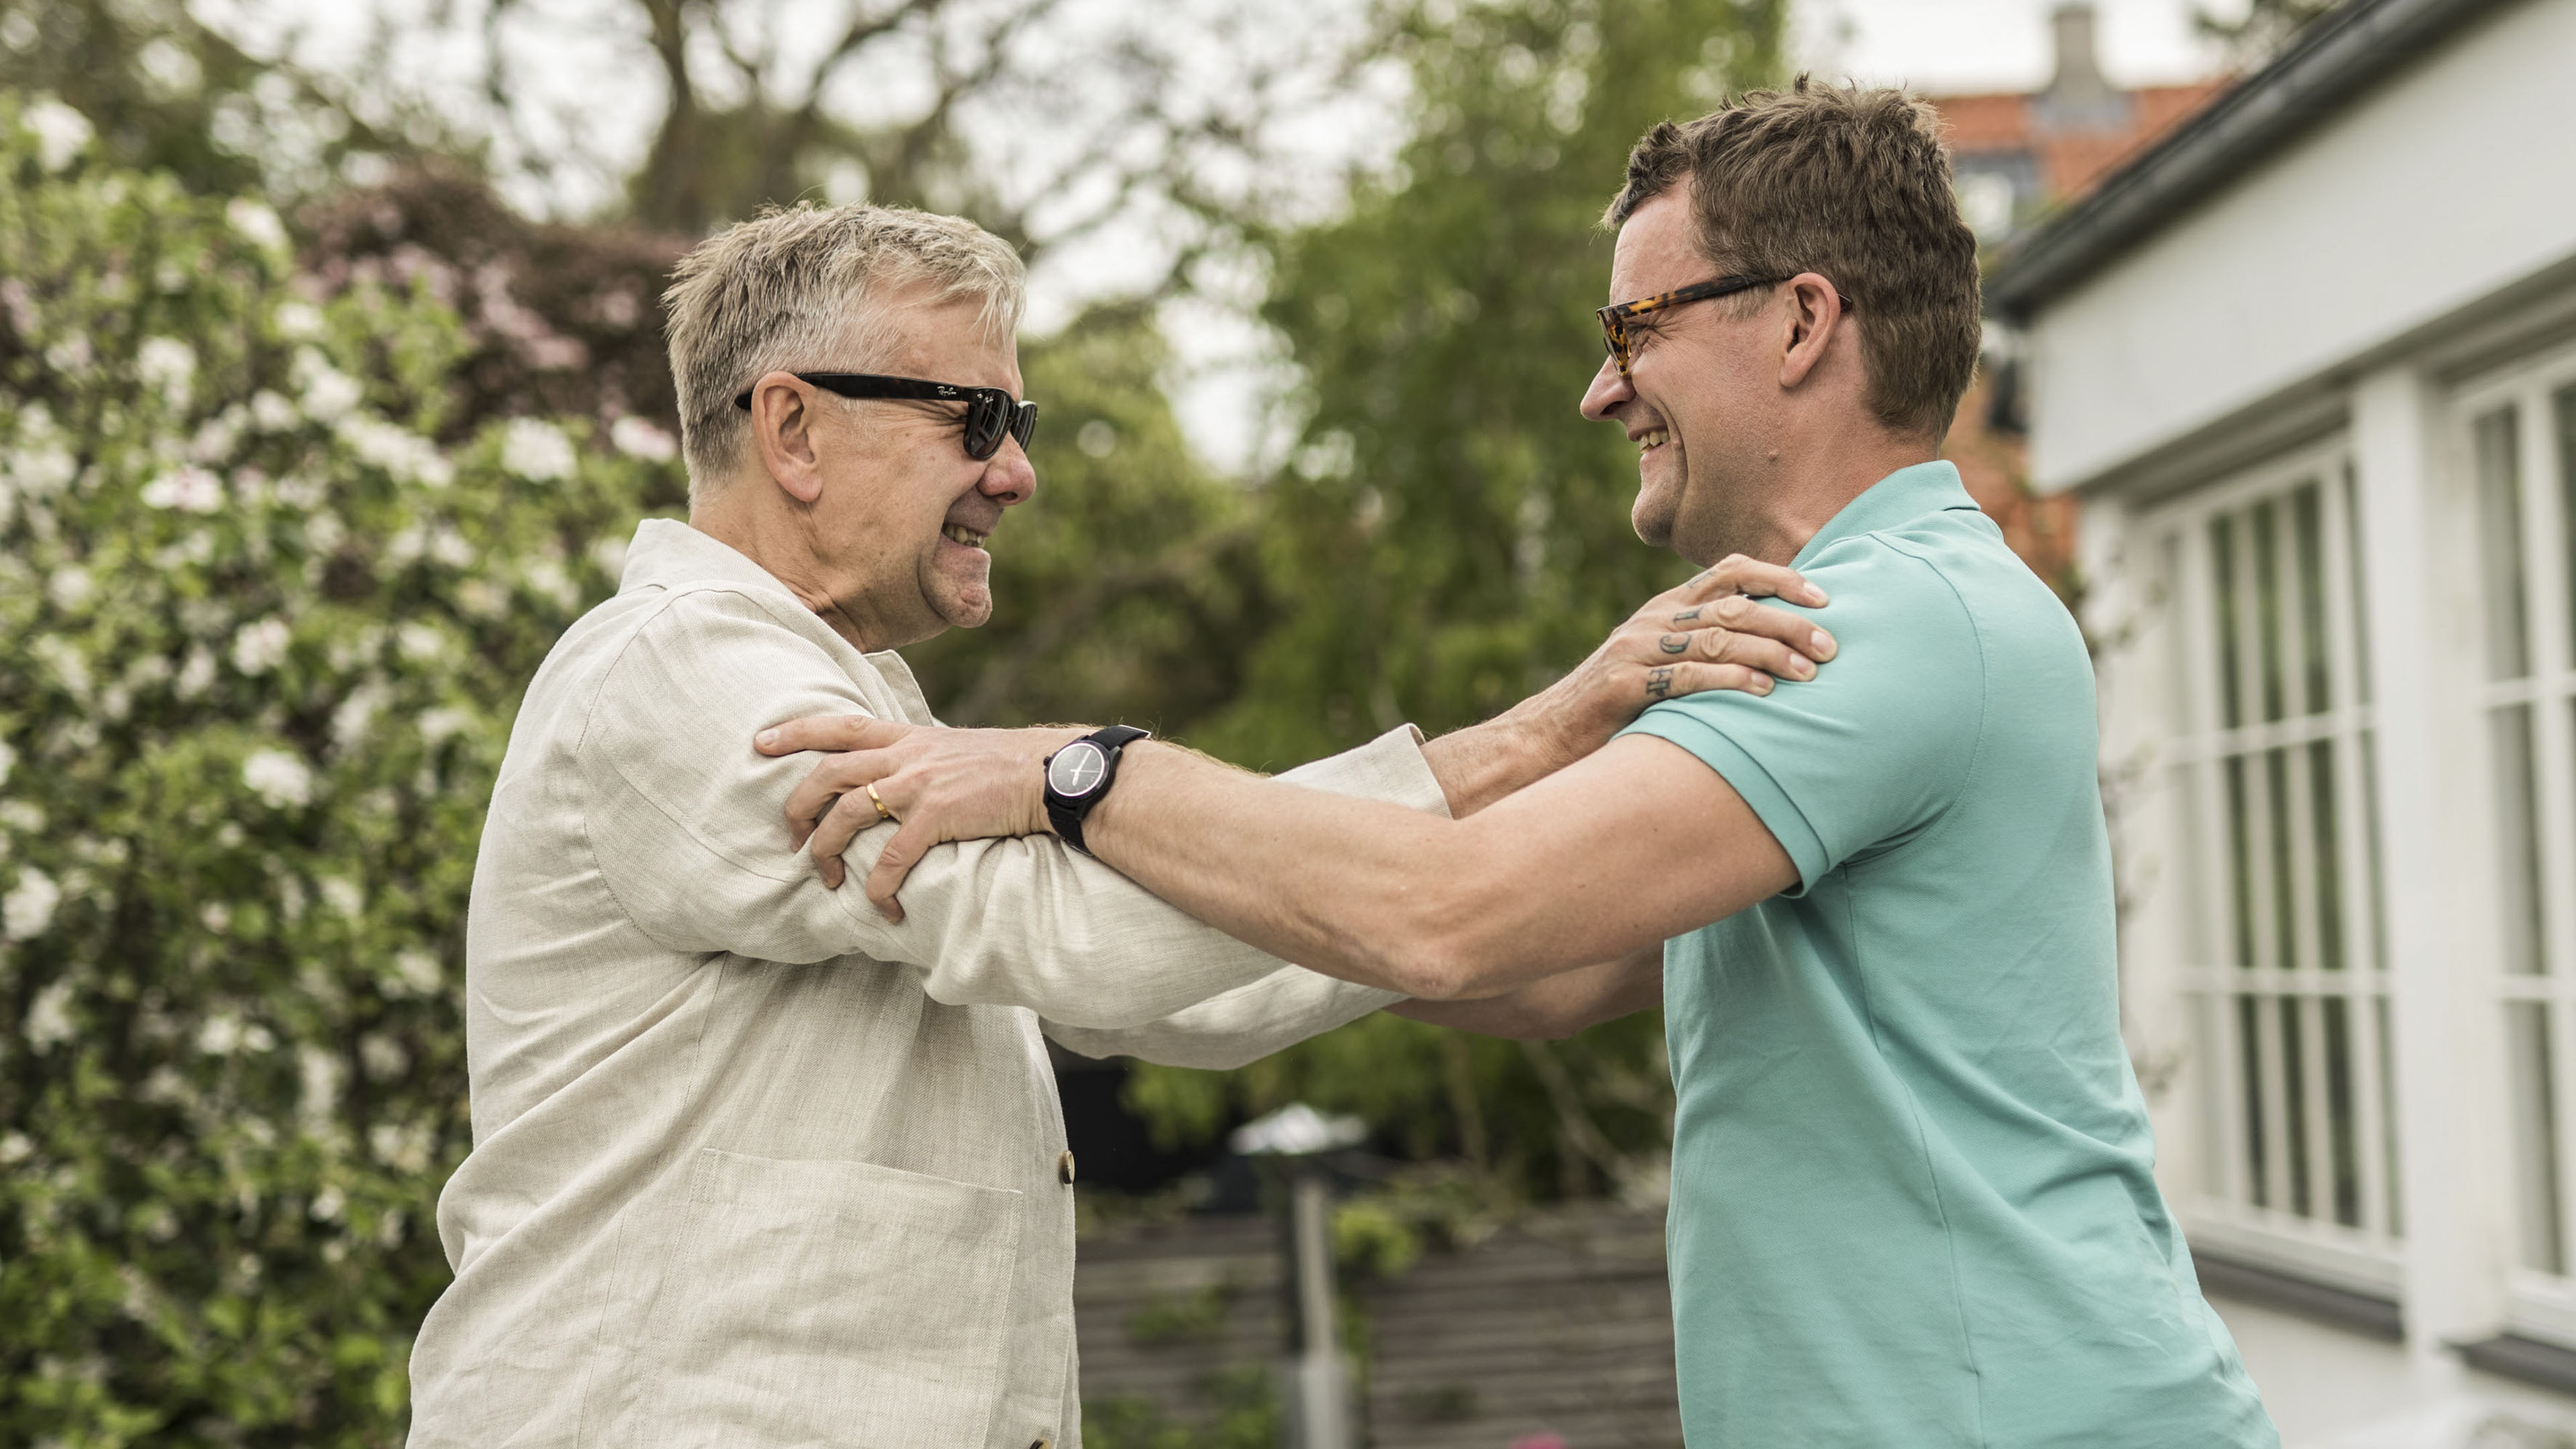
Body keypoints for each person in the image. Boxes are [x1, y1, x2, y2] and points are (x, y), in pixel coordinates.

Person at [765, 82, 2281, 1447]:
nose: (1602, 389)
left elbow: (1451, 916)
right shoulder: (1825, 634)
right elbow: (1526, 979)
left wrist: (1074, 776)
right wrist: (1147, 919)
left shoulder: (1885, 631)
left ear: (1803, 322)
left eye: (1638, 327)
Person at [403, 202, 1835, 1449]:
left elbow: (1207, 986)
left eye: (1017, 424)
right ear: (791, 427)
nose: (1018, 472)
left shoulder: (852, 698)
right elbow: (1092, 931)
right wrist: (1549, 727)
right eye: (976, 418)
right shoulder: (688, 675)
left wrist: (1635, 878)